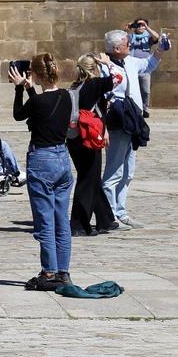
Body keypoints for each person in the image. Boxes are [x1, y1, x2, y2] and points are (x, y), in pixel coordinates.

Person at [8, 53, 74, 286]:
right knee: (61, 220)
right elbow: (45, 110)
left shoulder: (36, 102)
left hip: (42, 160)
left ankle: (48, 273)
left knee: (45, 220)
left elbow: (19, 115)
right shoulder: (66, 97)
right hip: (63, 159)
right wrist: (30, 89)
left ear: (34, 74)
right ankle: (63, 272)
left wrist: (19, 88)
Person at [100, 30, 166, 229]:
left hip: (132, 121)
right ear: (116, 49)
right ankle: (109, 215)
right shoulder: (104, 68)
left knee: (128, 171)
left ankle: (121, 211)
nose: (130, 44)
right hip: (117, 122)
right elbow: (103, 96)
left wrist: (160, 49)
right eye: (127, 42)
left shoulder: (130, 61)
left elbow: (148, 65)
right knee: (114, 171)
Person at [66, 54, 120, 237]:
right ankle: (78, 224)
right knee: (87, 181)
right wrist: (108, 63)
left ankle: (105, 219)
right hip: (89, 137)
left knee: (91, 177)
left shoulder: (74, 86)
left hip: (74, 138)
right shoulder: (95, 84)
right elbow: (118, 78)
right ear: (93, 67)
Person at [125, 18, 160, 118]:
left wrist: (147, 27)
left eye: (142, 25)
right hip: (131, 67)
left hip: (145, 67)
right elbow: (120, 39)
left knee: (145, 90)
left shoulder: (148, 37)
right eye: (138, 25)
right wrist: (127, 29)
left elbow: (157, 37)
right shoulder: (130, 37)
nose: (140, 27)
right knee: (130, 89)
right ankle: (132, 108)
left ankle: (145, 109)